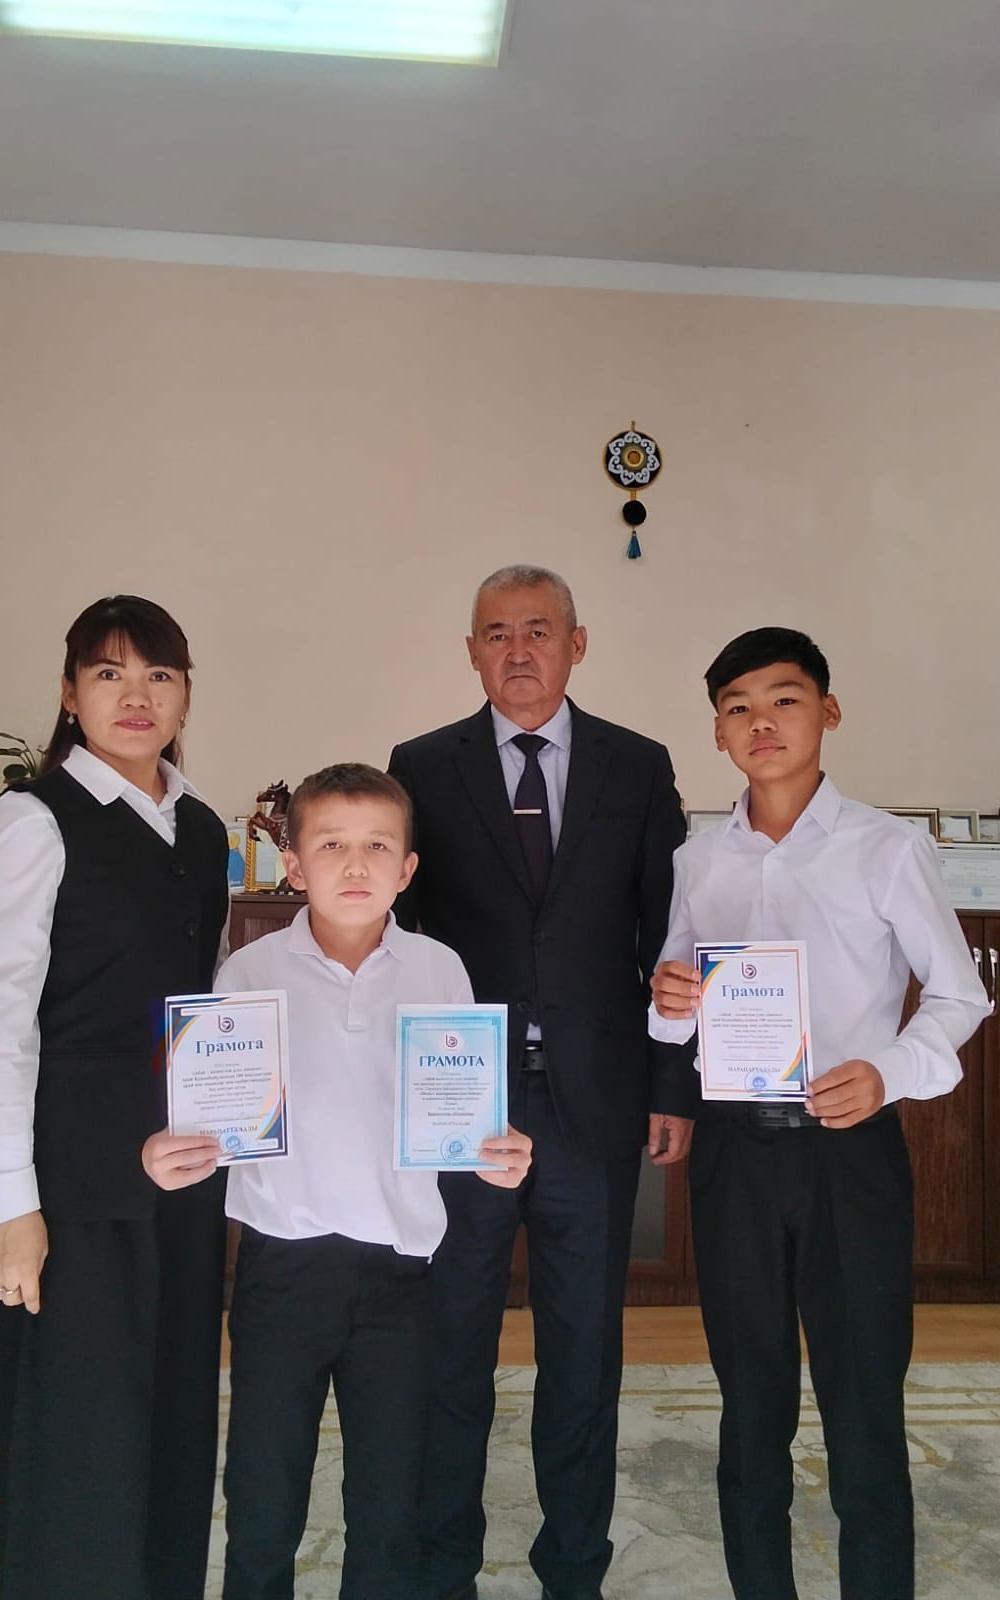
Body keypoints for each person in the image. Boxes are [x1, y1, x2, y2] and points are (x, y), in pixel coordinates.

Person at [649, 626, 993, 1600]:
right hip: (735, 1156)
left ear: (828, 712)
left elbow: (959, 995)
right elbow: (670, 1006)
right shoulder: (695, 859)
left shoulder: (887, 848)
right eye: (738, 707)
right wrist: (666, 1002)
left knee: (863, 1405)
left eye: (784, 699)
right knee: (750, 1404)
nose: (761, 722)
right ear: (718, 732)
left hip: (850, 1151)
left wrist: (889, 1070)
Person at [143, 763, 533, 1600]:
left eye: (378, 847)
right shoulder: (248, 976)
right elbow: (216, 1113)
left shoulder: (441, 971)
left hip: (401, 1277)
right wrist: (177, 1151)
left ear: (408, 868)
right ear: (293, 865)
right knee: (262, 1495)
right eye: (330, 846)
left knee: (390, 1503)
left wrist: (495, 1154)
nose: (356, 866)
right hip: (281, 1272)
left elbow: (460, 1113)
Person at [388, 564, 697, 1600]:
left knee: (583, 1354)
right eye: (496, 633)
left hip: (594, 1105)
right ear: (471, 652)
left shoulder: (637, 766)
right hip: (461, 1102)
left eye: (538, 630)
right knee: (451, 1347)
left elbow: (667, 934)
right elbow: (397, 940)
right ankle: (442, 1565)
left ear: (577, 643)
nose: (517, 650)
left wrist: (672, 1084)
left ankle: (574, 1567)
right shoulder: (421, 766)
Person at [0, 594, 229, 1600]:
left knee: (172, 1429)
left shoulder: (198, 826)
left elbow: (200, 1007)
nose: (136, 695)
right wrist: (10, 1206)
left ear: (185, 695)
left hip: (182, 1181)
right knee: (78, 1445)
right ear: (70, 694)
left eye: (159, 674)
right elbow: (0, 1021)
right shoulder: (33, 819)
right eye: (109, 673)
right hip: (72, 1190)